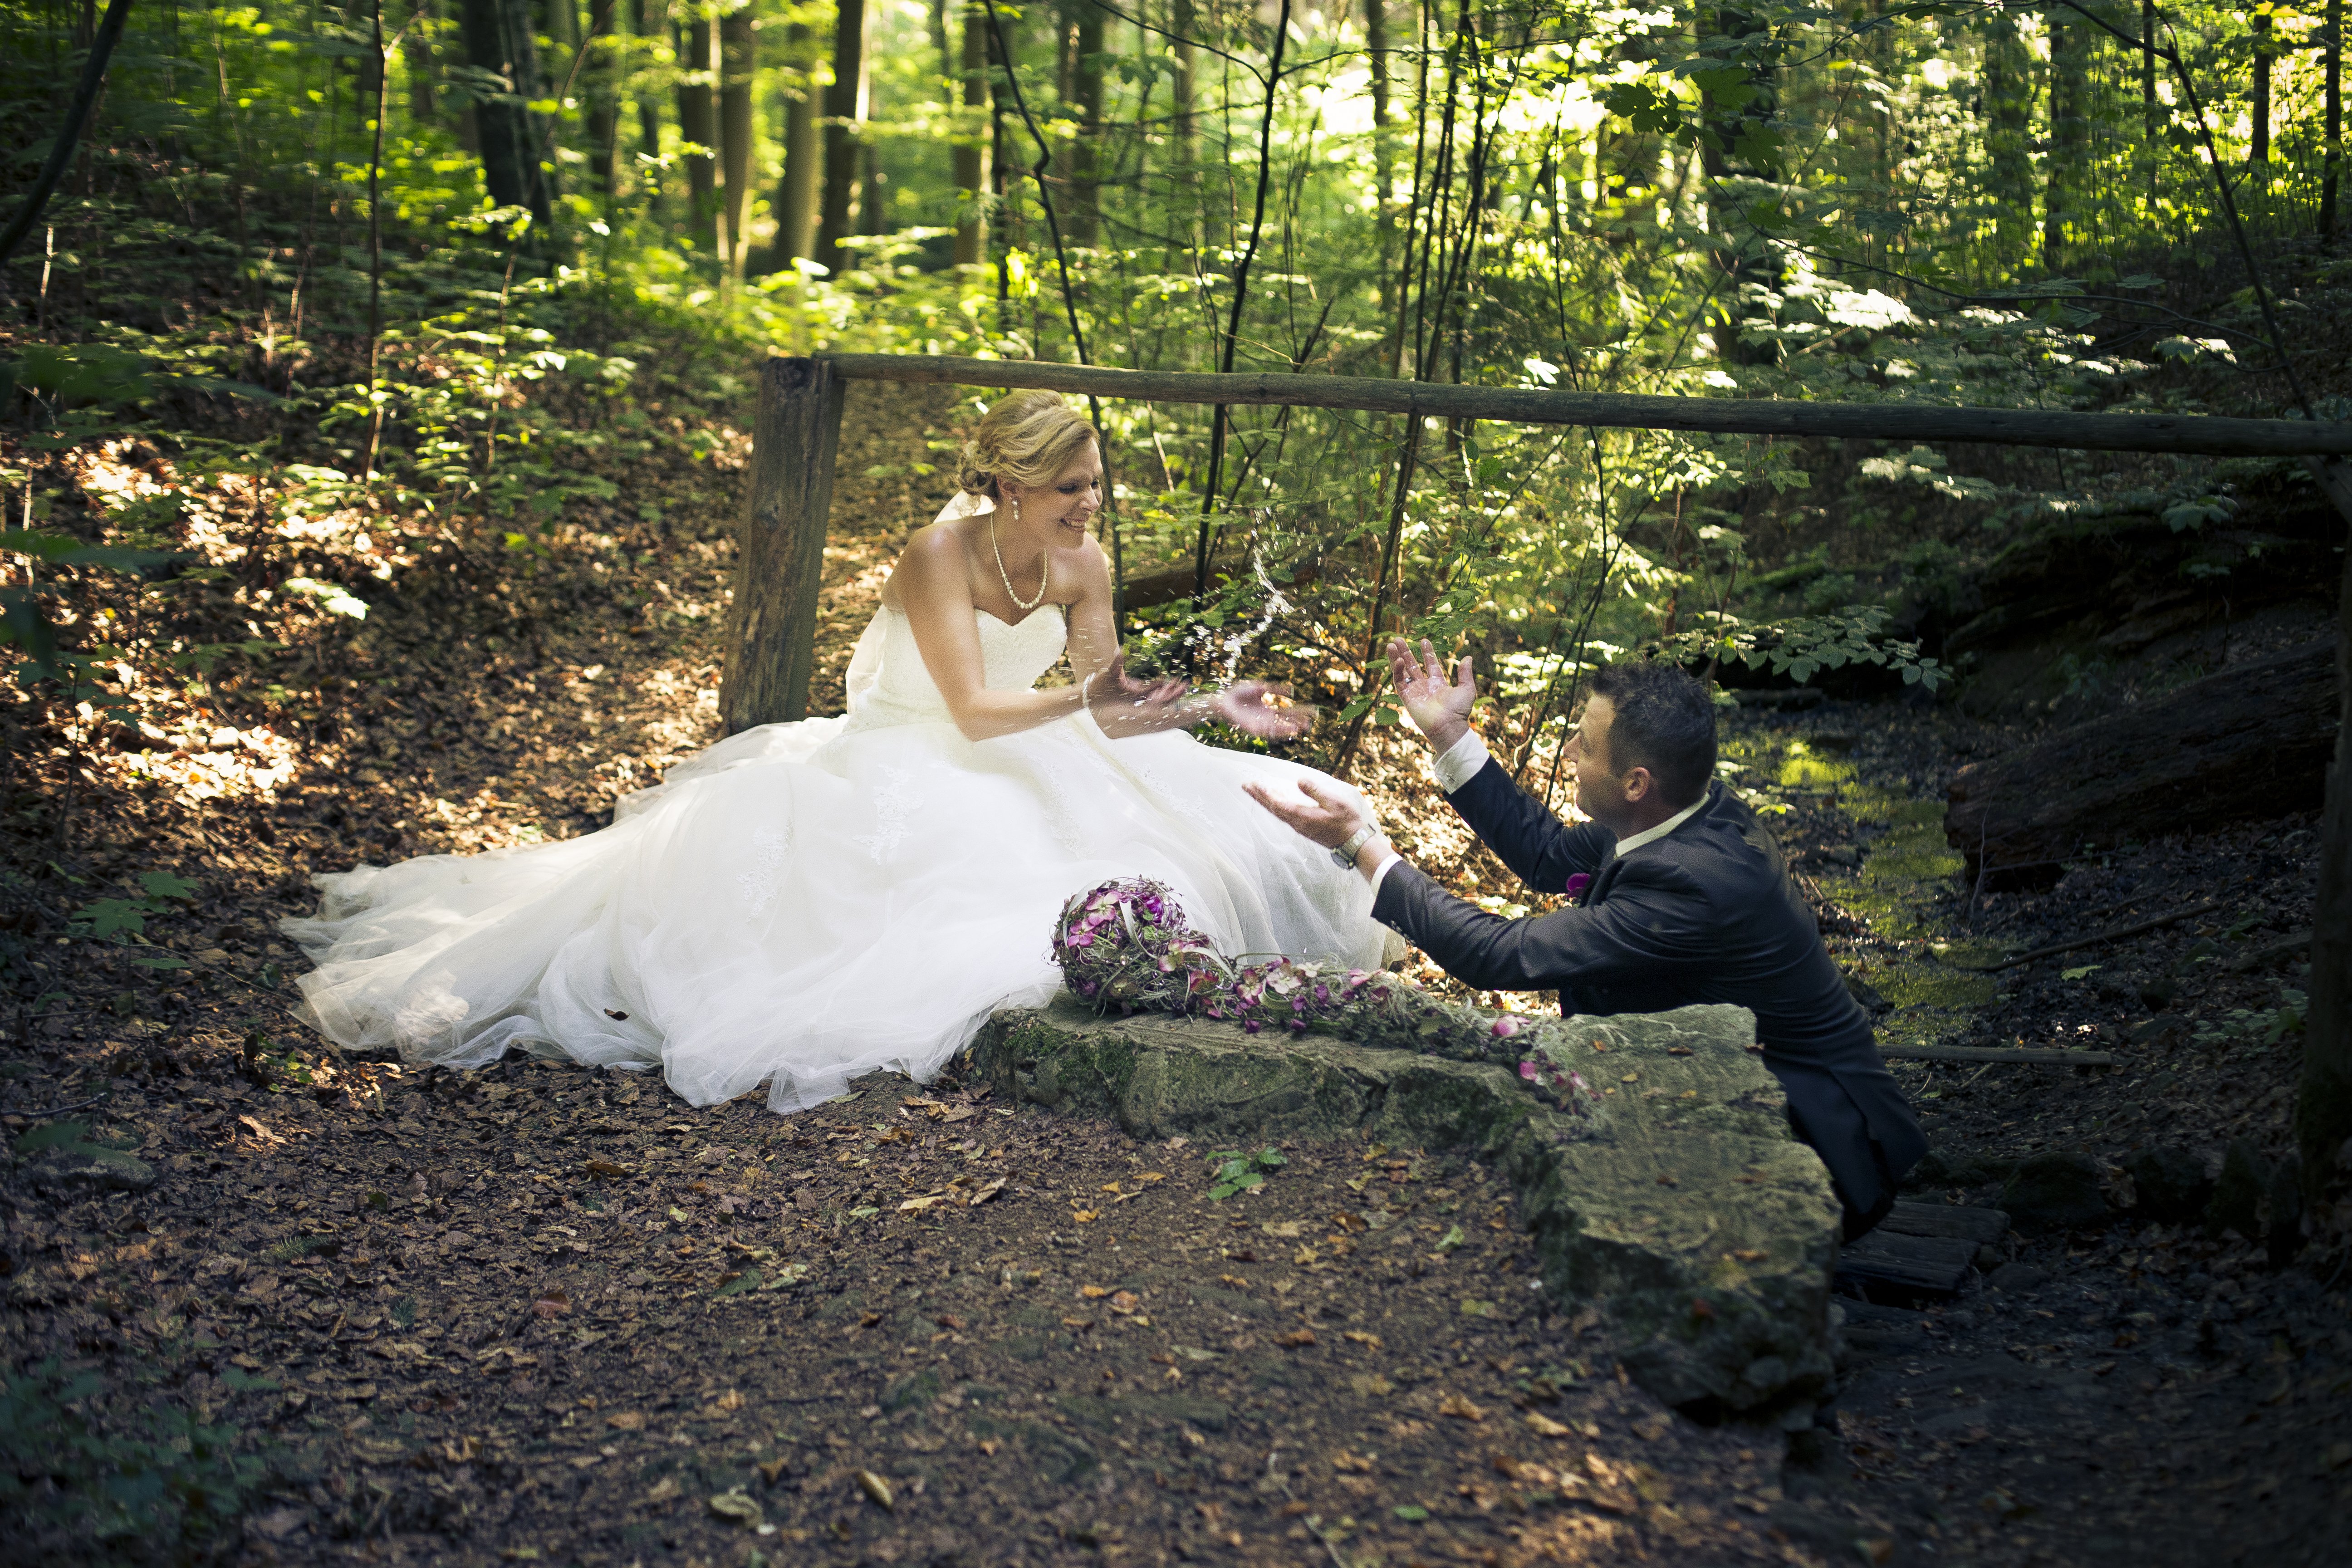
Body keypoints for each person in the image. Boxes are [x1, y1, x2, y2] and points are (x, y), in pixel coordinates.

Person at [285, 391, 1394, 1111]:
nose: (1090, 505)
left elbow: (1105, 706)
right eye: (1070, 488)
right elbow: (970, 711)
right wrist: (1082, 703)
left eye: (1095, 486)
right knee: (962, 893)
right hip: (919, 750)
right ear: (1010, 486)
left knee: (1235, 834)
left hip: (1039, 742)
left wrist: (1210, 707)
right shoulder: (936, 553)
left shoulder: (1084, 563)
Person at [1247, 642, 1925, 1238]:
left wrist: (1362, 846)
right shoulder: (1678, 811)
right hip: (1742, 1089)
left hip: (1827, 1145)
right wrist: (1450, 732)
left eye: (1584, 744)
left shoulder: (1696, 884)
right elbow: (1546, 855)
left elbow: (1500, 955)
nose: (1568, 751)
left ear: (1637, 782)